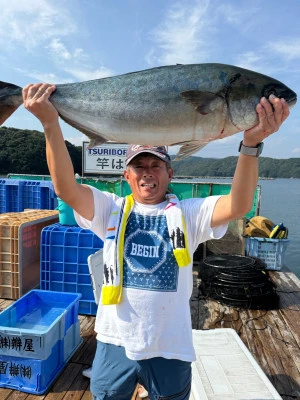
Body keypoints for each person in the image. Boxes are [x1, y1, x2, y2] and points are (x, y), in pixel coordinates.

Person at [22, 83, 289, 400]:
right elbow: (66, 189)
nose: (147, 172)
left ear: (170, 173)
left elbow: (239, 204)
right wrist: (51, 124)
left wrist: (251, 145)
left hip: (170, 345)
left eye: (155, 165)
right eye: (139, 166)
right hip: (115, 339)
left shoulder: (189, 213)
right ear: (127, 176)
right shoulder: (110, 209)